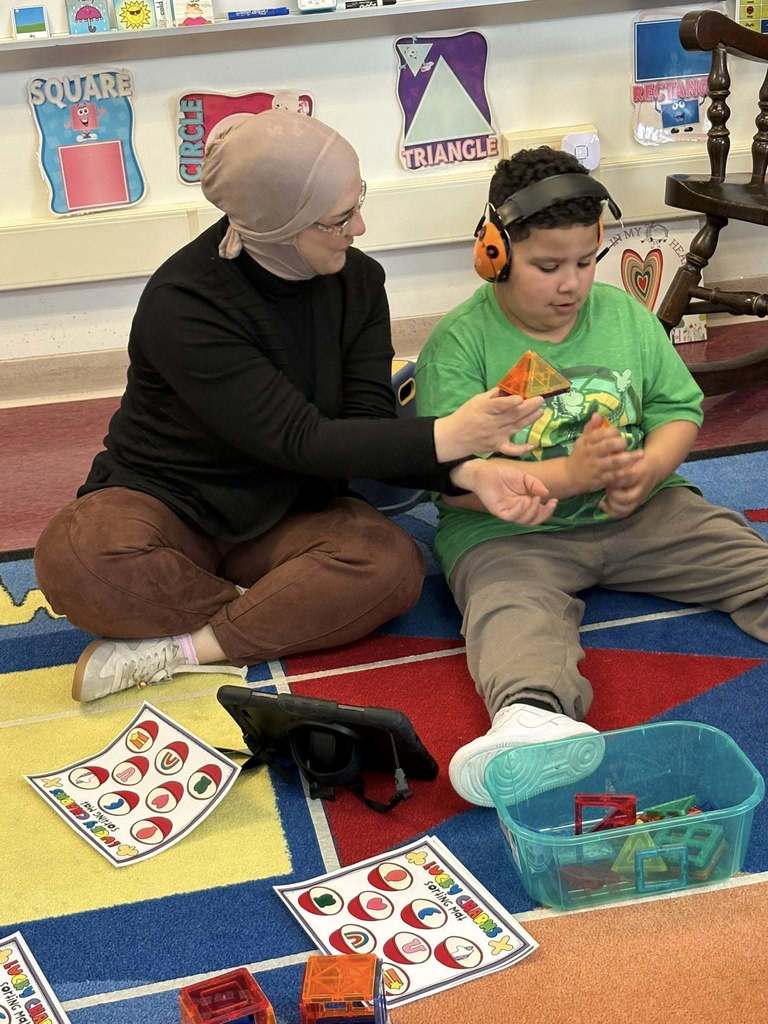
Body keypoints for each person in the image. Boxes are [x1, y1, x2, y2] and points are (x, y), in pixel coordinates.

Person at [34, 111, 557, 704]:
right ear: (276, 225)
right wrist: (451, 437)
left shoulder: (358, 282)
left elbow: (364, 429)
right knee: (75, 556)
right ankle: (276, 609)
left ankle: (184, 648)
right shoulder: (183, 303)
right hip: (169, 503)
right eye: (338, 219)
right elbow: (299, 438)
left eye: (357, 201)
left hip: (292, 510)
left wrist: (470, 470)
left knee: (390, 564)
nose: (359, 226)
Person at [415, 145, 768, 807]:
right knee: (510, 613)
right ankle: (533, 718)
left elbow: (677, 409)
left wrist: (651, 466)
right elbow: (448, 475)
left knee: (739, 551)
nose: (571, 283)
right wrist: (568, 476)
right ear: (493, 252)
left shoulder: (622, 316)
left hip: (642, 514)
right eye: (547, 266)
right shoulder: (461, 343)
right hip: (510, 537)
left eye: (584, 261)